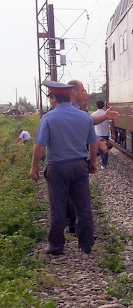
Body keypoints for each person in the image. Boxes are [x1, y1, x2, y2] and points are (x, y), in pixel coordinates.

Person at [29, 80, 98, 255]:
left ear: (54, 98)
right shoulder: (84, 117)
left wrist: (34, 167)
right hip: (79, 166)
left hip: (57, 167)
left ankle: (56, 246)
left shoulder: (49, 118)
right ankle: (86, 245)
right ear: (68, 96)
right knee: (83, 207)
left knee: (58, 208)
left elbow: (39, 145)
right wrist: (93, 163)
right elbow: (93, 142)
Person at [91, 101, 111, 169]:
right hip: (106, 133)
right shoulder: (106, 113)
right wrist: (113, 133)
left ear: (97, 106)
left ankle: (103, 163)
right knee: (105, 148)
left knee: (101, 148)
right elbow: (111, 123)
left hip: (98, 134)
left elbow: (92, 125)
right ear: (103, 105)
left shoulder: (94, 114)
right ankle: (105, 163)